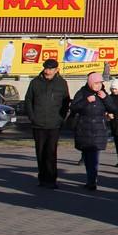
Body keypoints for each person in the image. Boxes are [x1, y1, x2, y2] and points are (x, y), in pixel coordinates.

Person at [25, 59, 70, 189]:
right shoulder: (35, 82)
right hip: (38, 123)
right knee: (40, 152)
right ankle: (42, 178)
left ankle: (51, 179)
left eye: (50, 69)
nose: (48, 71)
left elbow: (66, 101)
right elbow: (28, 100)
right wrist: (32, 117)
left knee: (51, 151)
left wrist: (61, 118)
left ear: (56, 70)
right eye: (46, 68)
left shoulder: (61, 83)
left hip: (54, 124)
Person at [69, 71, 111, 191]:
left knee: (94, 156)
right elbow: (73, 108)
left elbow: (113, 108)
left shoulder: (103, 94)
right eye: (96, 83)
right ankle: (90, 179)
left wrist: (106, 98)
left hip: (98, 130)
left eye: (100, 83)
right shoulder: (82, 93)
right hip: (84, 129)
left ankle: (92, 181)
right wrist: (86, 101)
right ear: (91, 83)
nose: (99, 85)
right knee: (87, 157)